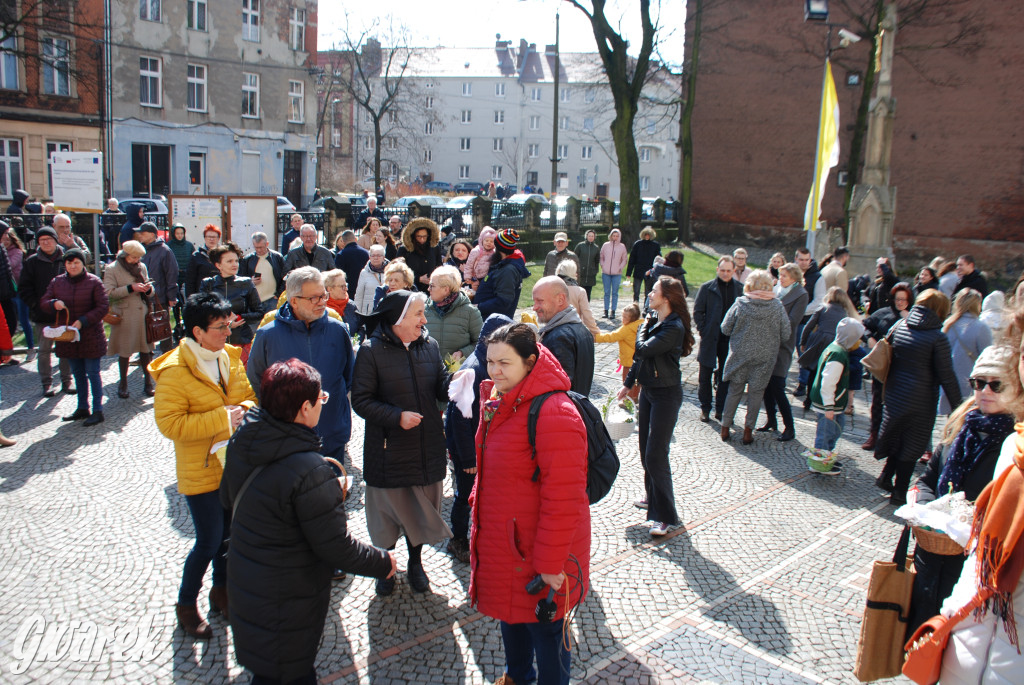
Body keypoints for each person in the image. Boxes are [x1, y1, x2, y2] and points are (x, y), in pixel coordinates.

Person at [220, 359, 395, 684]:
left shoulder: (243, 439)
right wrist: (383, 560)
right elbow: (336, 547)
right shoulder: (311, 471)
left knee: (266, 671)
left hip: (247, 580)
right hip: (286, 596)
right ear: (304, 408)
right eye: (321, 399)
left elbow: (229, 500)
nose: (323, 403)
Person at [472, 322, 590, 685]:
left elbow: (565, 498)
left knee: (547, 633)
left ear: (530, 361)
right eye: (490, 362)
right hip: (510, 546)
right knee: (512, 617)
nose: (494, 371)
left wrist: (551, 564)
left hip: (540, 554)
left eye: (504, 363)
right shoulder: (500, 399)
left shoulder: (554, 412)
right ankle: (516, 677)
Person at [151, 292, 257, 640]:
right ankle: (186, 604)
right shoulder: (174, 371)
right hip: (201, 469)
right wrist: (221, 419)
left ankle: (222, 592)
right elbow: (170, 425)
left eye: (230, 324)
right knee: (208, 541)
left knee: (231, 537)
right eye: (220, 327)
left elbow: (249, 397)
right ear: (197, 331)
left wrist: (240, 409)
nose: (229, 333)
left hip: (234, 465)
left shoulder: (230, 356)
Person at [904, 345, 1017, 637]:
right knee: (921, 632)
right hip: (932, 552)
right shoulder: (960, 427)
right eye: (979, 383)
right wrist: (927, 508)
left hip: (974, 565)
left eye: (996, 384)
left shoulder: (1014, 446)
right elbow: (927, 480)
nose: (985, 391)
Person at [351, 291, 453, 596]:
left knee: (420, 514)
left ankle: (416, 563)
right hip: (389, 450)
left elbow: (440, 385)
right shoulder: (370, 351)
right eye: (419, 314)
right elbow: (361, 401)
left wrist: (455, 384)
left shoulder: (430, 346)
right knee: (386, 517)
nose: (425, 320)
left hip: (426, 446)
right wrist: (396, 417)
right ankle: (385, 565)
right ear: (397, 320)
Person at [248, 267, 357, 469]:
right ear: (294, 300)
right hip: (286, 438)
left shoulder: (337, 329)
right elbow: (256, 380)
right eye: (313, 298)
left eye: (323, 295)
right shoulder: (267, 336)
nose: (322, 302)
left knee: (332, 495)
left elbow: (348, 375)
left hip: (331, 432)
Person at [618, 278, 694, 535]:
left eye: (654, 291)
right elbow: (640, 361)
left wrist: (641, 326)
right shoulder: (656, 320)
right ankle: (653, 498)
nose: (649, 294)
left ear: (667, 298)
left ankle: (666, 516)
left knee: (656, 454)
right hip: (649, 391)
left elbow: (641, 350)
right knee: (644, 449)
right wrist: (628, 384)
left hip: (667, 395)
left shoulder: (673, 326)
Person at [875, 289, 963, 505]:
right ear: (940, 311)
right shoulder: (937, 337)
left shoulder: (900, 325)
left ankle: (886, 477)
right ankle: (899, 492)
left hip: (896, 394)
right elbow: (947, 376)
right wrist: (960, 407)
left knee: (896, 436)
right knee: (912, 446)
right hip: (921, 400)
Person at [443, 314, 511, 563]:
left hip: (480, 447)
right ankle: (457, 540)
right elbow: (458, 420)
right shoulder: (472, 370)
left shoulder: (488, 361)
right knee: (463, 496)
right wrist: (468, 458)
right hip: (468, 452)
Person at [718, 270, 792, 444]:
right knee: (756, 393)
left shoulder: (741, 303)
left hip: (740, 354)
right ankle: (748, 432)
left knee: (734, 391)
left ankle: (725, 427)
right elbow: (786, 333)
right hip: (765, 356)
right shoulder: (777, 306)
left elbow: (725, 328)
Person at [41, 249, 109, 425]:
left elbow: (103, 307)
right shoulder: (57, 282)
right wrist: (52, 303)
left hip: (90, 336)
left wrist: (83, 321)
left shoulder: (94, 282)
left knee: (93, 373)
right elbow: (44, 301)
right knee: (78, 373)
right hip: (69, 337)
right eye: (69, 263)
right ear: (65, 265)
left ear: (82, 263)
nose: (72, 265)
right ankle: (82, 407)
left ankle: (97, 410)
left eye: (76, 262)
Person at [805, 317, 865, 473]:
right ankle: (819, 463)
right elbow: (828, 382)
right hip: (828, 403)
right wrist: (829, 407)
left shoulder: (838, 349)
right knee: (826, 433)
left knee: (835, 430)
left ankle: (827, 458)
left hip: (832, 402)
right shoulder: (838, 354)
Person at [16, 226, 71, 395]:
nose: (46, 242)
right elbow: (24, 288)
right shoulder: (32, 261)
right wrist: (36, 305)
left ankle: (66, 381)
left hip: (64, 315)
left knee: (65, 350)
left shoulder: (66, 258)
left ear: (55, 240)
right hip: (42, 314)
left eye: (49, 239)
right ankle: (46, 383)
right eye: (42, 240)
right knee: (44, 351)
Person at [759, 262, 809, 442]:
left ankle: (790, 427)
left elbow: (793, 320)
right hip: (768, 342)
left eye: (784, 276)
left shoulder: (801, 294)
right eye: (780, 275)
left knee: (778, 385)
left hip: (783, 345)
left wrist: (770, 321)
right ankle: (771, 420)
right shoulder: (778, 290)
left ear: (794, 278)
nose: (780, 278)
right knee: (767, 384)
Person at [860, 283, 914, 451]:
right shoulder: (883, 313)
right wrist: (869, 339)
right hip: (883, 365)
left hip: (903, 367)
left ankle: (892, 438)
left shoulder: (913, 317)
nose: (900, 303)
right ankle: (874, 434)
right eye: (897, 299)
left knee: (898, 404)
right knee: (877, 400)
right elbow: (864, 326)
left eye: (904, 300)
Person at [103, 240, 156, 398]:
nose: (136, 261)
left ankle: (148, 382)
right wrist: (130, 288)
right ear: (125, 254)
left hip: (143, 314)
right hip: (125, 316)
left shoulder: (141, 267)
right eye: (133, 257)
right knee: (125, 352)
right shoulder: (112, 268)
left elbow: (150, 289)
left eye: (138, 258)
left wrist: (148, 289)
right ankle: (123, 383)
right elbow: (109, 292)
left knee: (146, 350)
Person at [693, 256, 743, 422]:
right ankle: (705, 408)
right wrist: (704, 329)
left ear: (733, 271)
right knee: (705, 375)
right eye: (722, 270)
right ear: (717, 270)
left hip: (730, 340)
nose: (725, 273)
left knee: (725, 376)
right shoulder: (707, 288)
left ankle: (721, 409)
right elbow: (698, 311)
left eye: (729, 271)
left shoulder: (739, 289)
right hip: (710, 337)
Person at [533, 276, 595, 397]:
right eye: (534, 301)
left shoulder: (558, 337)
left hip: (560, 411)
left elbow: (558, 388)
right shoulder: (583, 329)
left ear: (560, 299)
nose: (534, 307)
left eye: (540, 301)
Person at [200, 243, 262, 360]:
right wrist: (224, 322)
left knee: (240, 376)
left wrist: (238, 318)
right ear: (218, 265)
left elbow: (259, 312)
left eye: (236, 261)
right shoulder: (208, 284)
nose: (234, 264)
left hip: (241, 339)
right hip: (214, 340)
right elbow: (201, 312)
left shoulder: (246, 283)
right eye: (229, 261)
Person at [795, 287, 859, 398]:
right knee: (826, 372)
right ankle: (821, 397)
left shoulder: (823, 308)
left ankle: (808, 399)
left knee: (813, 370)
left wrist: (803, 342)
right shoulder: (845, 313)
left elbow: (808, 327)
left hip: (819, 341)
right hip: (834, 343)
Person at [940, 288, 992, 414]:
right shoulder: (981, 327)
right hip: (969, 384)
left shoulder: (947, 325)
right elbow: (987, 358)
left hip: (948, 384)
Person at [424, 265, 482, 363]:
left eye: (432, 286)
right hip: (427, 371)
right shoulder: (423, 310)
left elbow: (482, 343)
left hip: (457, 373)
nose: (428, 289)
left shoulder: (470, 312)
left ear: (446, 290)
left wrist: (463, 353)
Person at [138, 221, 180, 353]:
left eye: (143, 233)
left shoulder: (164, 251)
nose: (140, 236)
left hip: (160, 296)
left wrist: (171, 295)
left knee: (163, 327)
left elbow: (171, 273)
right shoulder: (141, 250)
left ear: (152, 234)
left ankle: (166, 354)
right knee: (144, 327)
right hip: (142, 296)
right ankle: (145, 353)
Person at [475, 229, 531, 321]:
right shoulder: (502, 265)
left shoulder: (508, 270)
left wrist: (478, 306)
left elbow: (503, 301)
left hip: (494, 323)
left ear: (498, 247)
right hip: (489, 319)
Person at [2, 226, 35, 362]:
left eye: (8, 237)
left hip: (19, 291)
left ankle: (31, 348)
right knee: (8, 323)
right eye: (3, 236)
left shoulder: (17, 252)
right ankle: (6, 352)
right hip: (7, 291)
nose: (6, 239)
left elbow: (11, 264)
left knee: (22, 320)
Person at [597, 303, 642, 401]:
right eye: (622, 316)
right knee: (637, 382)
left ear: (632, 318)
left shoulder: (626, 329)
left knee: (627, 382)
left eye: (625, 317)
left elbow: (611, 337)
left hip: (628, 361)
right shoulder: (640, 325)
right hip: (639, 361)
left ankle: (628, 400)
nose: (623, 319)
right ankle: (636, 398)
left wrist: (595, 337)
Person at [239, 231, 285, 313]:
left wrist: (278, 294)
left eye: (261, 247)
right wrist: (250, 281)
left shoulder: (277, 257)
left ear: (267, 244)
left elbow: (284, 277)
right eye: (256, 247)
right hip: (254, 301)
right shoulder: (247, 259)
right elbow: (240, 279)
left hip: (272, 300)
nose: (258, 250)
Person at [396, 217, 442, 293]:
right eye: (419, 236)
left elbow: (439, 265)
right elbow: (399, 270)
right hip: (411, 289)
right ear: (413, 236)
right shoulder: (404, 249)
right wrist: (418, 278)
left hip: (431, 289)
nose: (422, 239)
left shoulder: (434, 248)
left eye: (425, 236)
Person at [554, 260, 600, 336]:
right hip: (574, 331)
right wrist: (595, 331)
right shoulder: (580, 291)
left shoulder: (551, 289)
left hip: (555, 330)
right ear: (572, 273)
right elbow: (587, 314)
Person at [625, 227, 661, 303]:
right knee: (636, 291)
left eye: (648, 235)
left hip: (649, 271)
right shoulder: (637, 244)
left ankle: (646, 307)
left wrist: (657, 270)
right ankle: (635, 304)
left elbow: (658, 259)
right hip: (638, 270)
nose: (647, 236)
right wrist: (629, 273)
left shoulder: (655, 245)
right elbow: (632, 259)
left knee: (648, 292)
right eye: (645, 235)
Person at [168, 224, 195, 325]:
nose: (180, 236)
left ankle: (186, 321)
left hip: (186, 276)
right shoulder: (169, 245)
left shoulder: (189, 245)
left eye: (181, 233)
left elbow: (193, 260)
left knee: (186, 301)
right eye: (177, 233)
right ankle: (177, 323)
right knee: (176, 301)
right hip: (174, 276)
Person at [186, 224, 221, 297]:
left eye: (214, 237)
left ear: (218, 238)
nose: (211, 239)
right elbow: (190, 281)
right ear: (204, 238)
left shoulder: (223, 255)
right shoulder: (196, 256)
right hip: (202, 296)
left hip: (220, 295)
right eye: (209, 237)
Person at [600, 228, 628, 319]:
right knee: (606, 292)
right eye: (613, 236)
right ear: (611, 236)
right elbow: (601, 257)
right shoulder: (605, 245)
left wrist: (620, 268)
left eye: (617, 236)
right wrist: (603, 265)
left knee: (615, 293)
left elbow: (624, 259)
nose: (615, 237)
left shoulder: (622, 246)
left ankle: (613, 311)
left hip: (617, 273)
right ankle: (606, 311)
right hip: (606, 273)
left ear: (619, 237)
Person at [354, 244, 388, 314]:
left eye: (378, 255)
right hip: (369, 312)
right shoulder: (364, 273)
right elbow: (359, 295)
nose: (376, 258)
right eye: (373, 255)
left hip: (385, 310)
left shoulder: (390, 272)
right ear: (369, 257)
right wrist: (358, 313)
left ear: (383, 257)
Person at [334, 229, 369, 295]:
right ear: (355, 239)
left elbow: (338, 274)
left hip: (348, 289)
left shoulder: (341, 254)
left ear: (344, 242)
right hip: (364, 287)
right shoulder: (366, 253)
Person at [464, 227, 496, 292]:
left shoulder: (494, 253)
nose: (488, 243)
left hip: (487, 277)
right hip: (476, 277)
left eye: (491, 241)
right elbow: (469, 265)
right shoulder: (476, 251)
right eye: (486, 241)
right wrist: (467, 277)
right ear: (482, 241)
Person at [574, 230, 600, 300]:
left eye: (592, 236)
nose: (591, 237)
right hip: (580, 274)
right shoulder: (580, 246)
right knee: (579, 293)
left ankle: (586, 308)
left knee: (588, 294)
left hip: (590, 275)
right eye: (589, 236)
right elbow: (574, 257)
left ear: (594, 237)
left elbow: (597, 261)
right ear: (586, 236)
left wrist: (595, 271)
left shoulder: (596, 248)